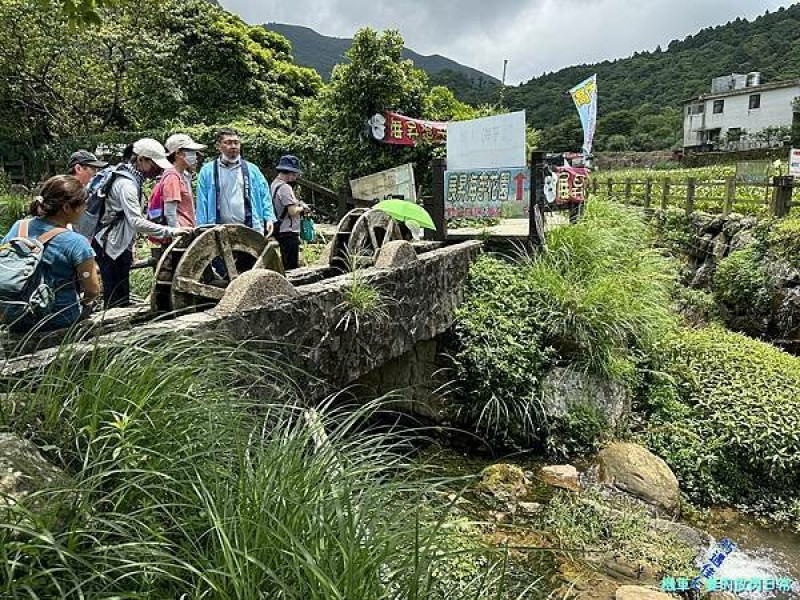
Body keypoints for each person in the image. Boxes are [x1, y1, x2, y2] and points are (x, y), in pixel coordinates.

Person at [95, 138, 187, 308]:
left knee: (120, 295)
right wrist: (171, 231)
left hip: (118, 243)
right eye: (154, 164)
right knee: (116, 298)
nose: (157, 169)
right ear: (141, 159)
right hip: (111, 246)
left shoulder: (130, 177)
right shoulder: (126, 185)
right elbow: (136, 221)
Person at [1, 175, 100, 332]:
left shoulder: (19, 227)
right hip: (59, 320)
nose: (84, 209)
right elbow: (93, 290)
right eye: (82, 204)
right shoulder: (77, 242)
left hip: (15, 317)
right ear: (67, 208)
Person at [196, 128, 275, 236]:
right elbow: (202, 201)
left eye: (236, 143)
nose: (233, 146)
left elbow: (264, 195)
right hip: (218, 229)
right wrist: (201, 226)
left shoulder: (252, 169)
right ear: (218, 146)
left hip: (250, 227)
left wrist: (269, 217)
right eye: (228, 143)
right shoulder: (207, 171)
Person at [271, 155, 309, 270]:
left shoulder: (274, 184)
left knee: (286, 261)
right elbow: (292, 211)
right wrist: (303, 208)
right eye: (295, 174)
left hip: (280, 229)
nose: (296, 176)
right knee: (291, 266)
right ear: (290, 173)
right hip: (288, 230)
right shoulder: (285, 188)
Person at [160, 133, 206, 228]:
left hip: (187, 231)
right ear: (178, 153)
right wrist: (177, 235)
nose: (195, 155)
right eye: (190, 151)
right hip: (181, 233)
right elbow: (170, 213)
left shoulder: (182, 175)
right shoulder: (172, 177)